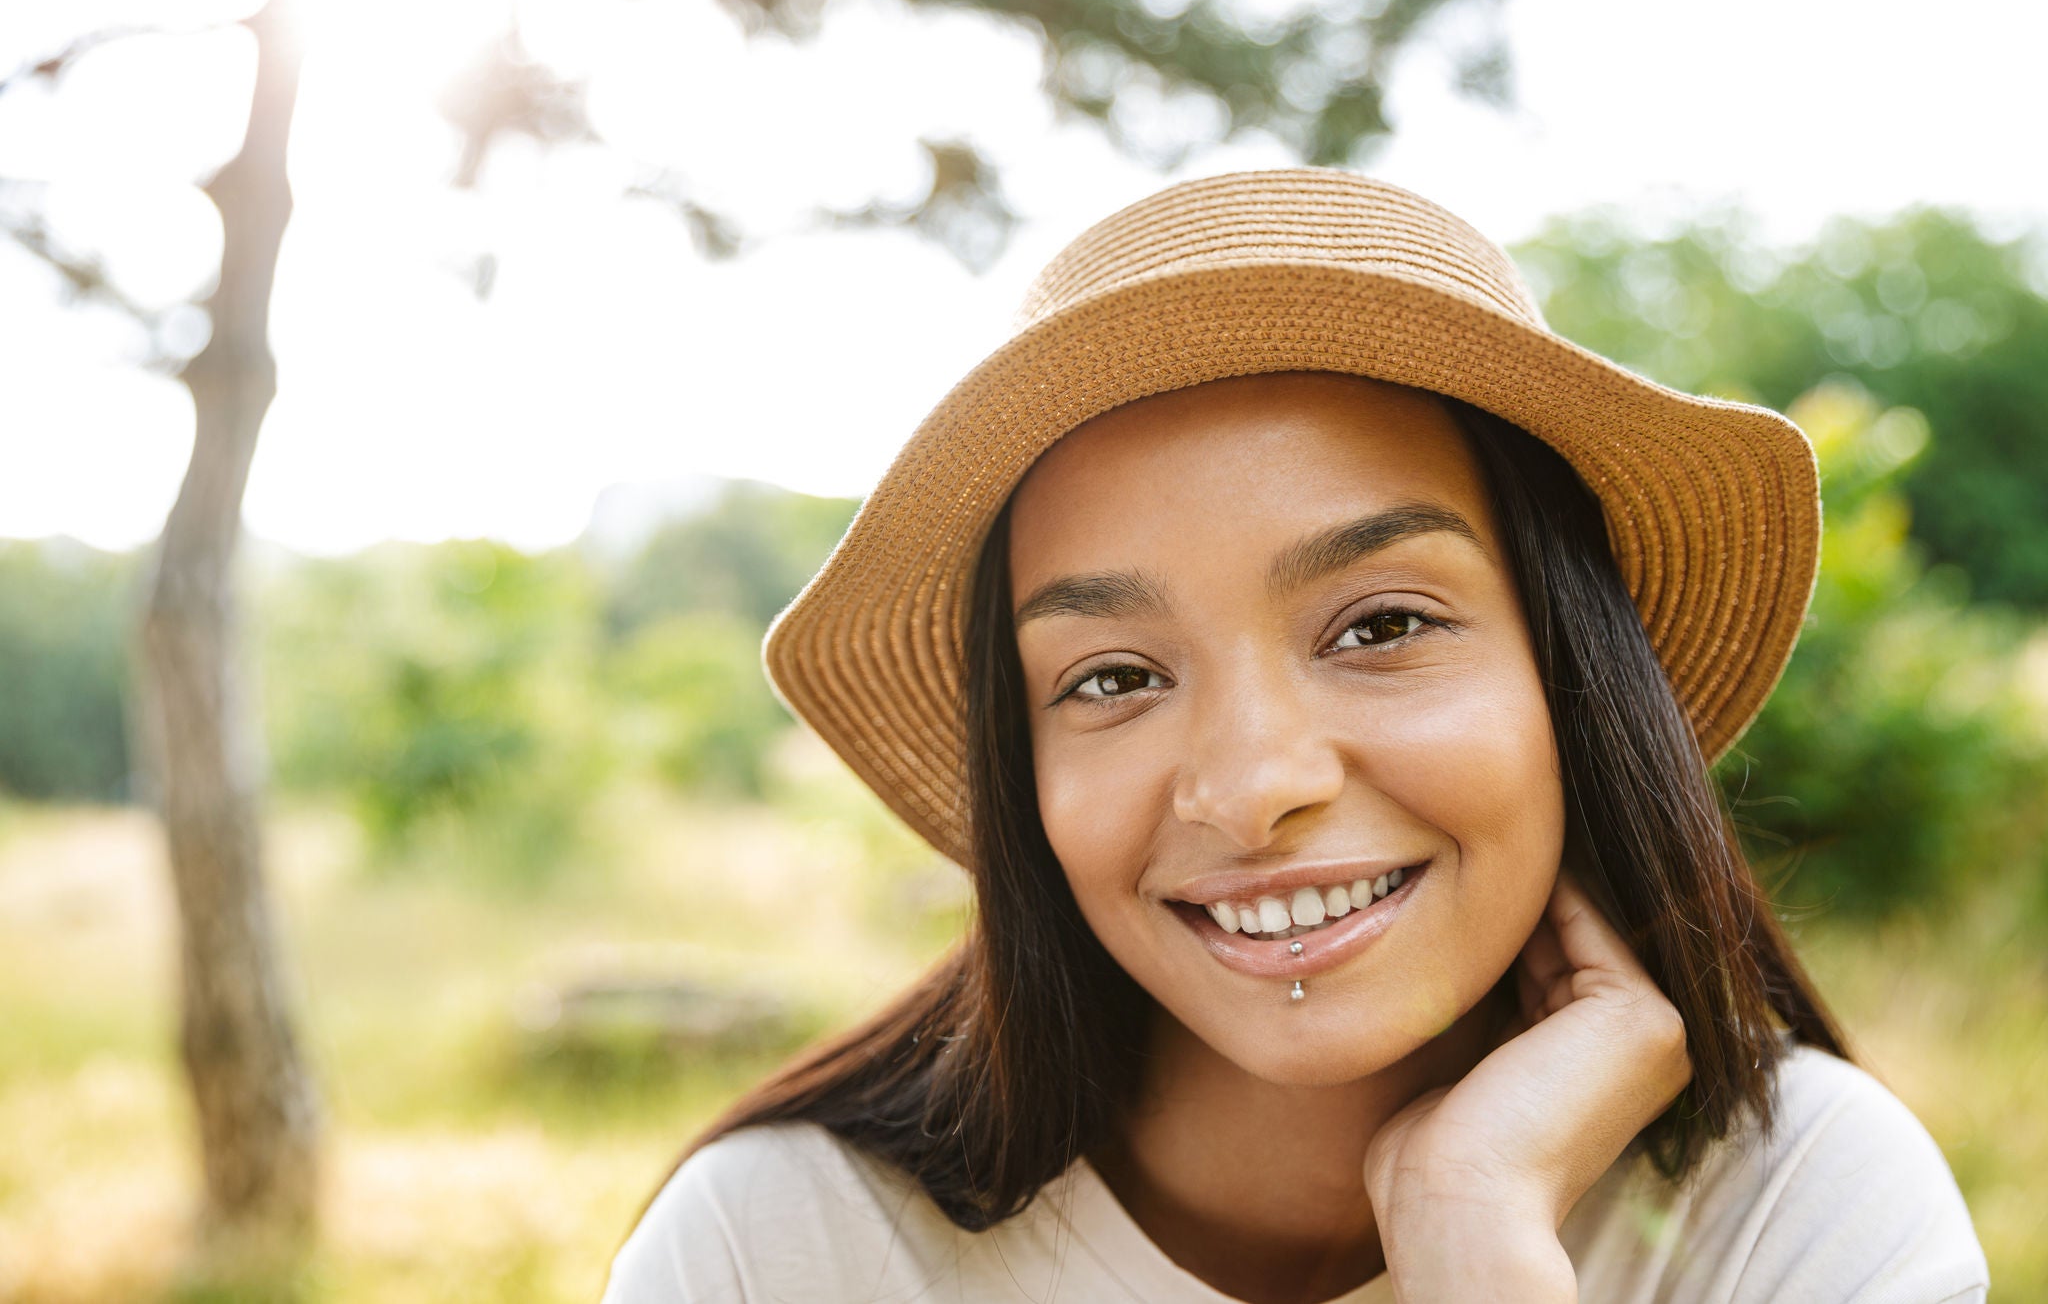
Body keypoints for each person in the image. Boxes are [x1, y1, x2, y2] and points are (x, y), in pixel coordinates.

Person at [601, 169, 1989, 1302]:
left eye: (1379, 626)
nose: (1255, 788)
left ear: (1570, 677)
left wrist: (1475, 1234)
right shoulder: (779, 1251)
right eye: (1112, 675)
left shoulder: (1797, 1210)